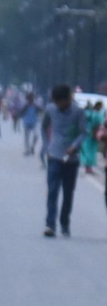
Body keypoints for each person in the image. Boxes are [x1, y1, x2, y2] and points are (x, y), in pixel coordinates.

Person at [41, 84, 89, 238]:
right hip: (54, 155)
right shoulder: (50, 109)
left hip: (71, 159)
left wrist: (74, 146)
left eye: (62, 102)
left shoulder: (78, 112)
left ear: (68, 99)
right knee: (52, 191)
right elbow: (43, 127)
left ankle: (64, 222)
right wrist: (47, 146)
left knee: (68, 193)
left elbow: (83, 133)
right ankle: (50, 224)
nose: (60, 105)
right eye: (57, 102)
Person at [80, 100, 103, 174]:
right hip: (92, 135)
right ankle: (89, 168)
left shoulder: (87, 113)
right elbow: (97, 125)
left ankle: (88, 168)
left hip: (86, 135)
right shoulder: (96, 115)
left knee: (86, 151)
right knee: (91, 152)